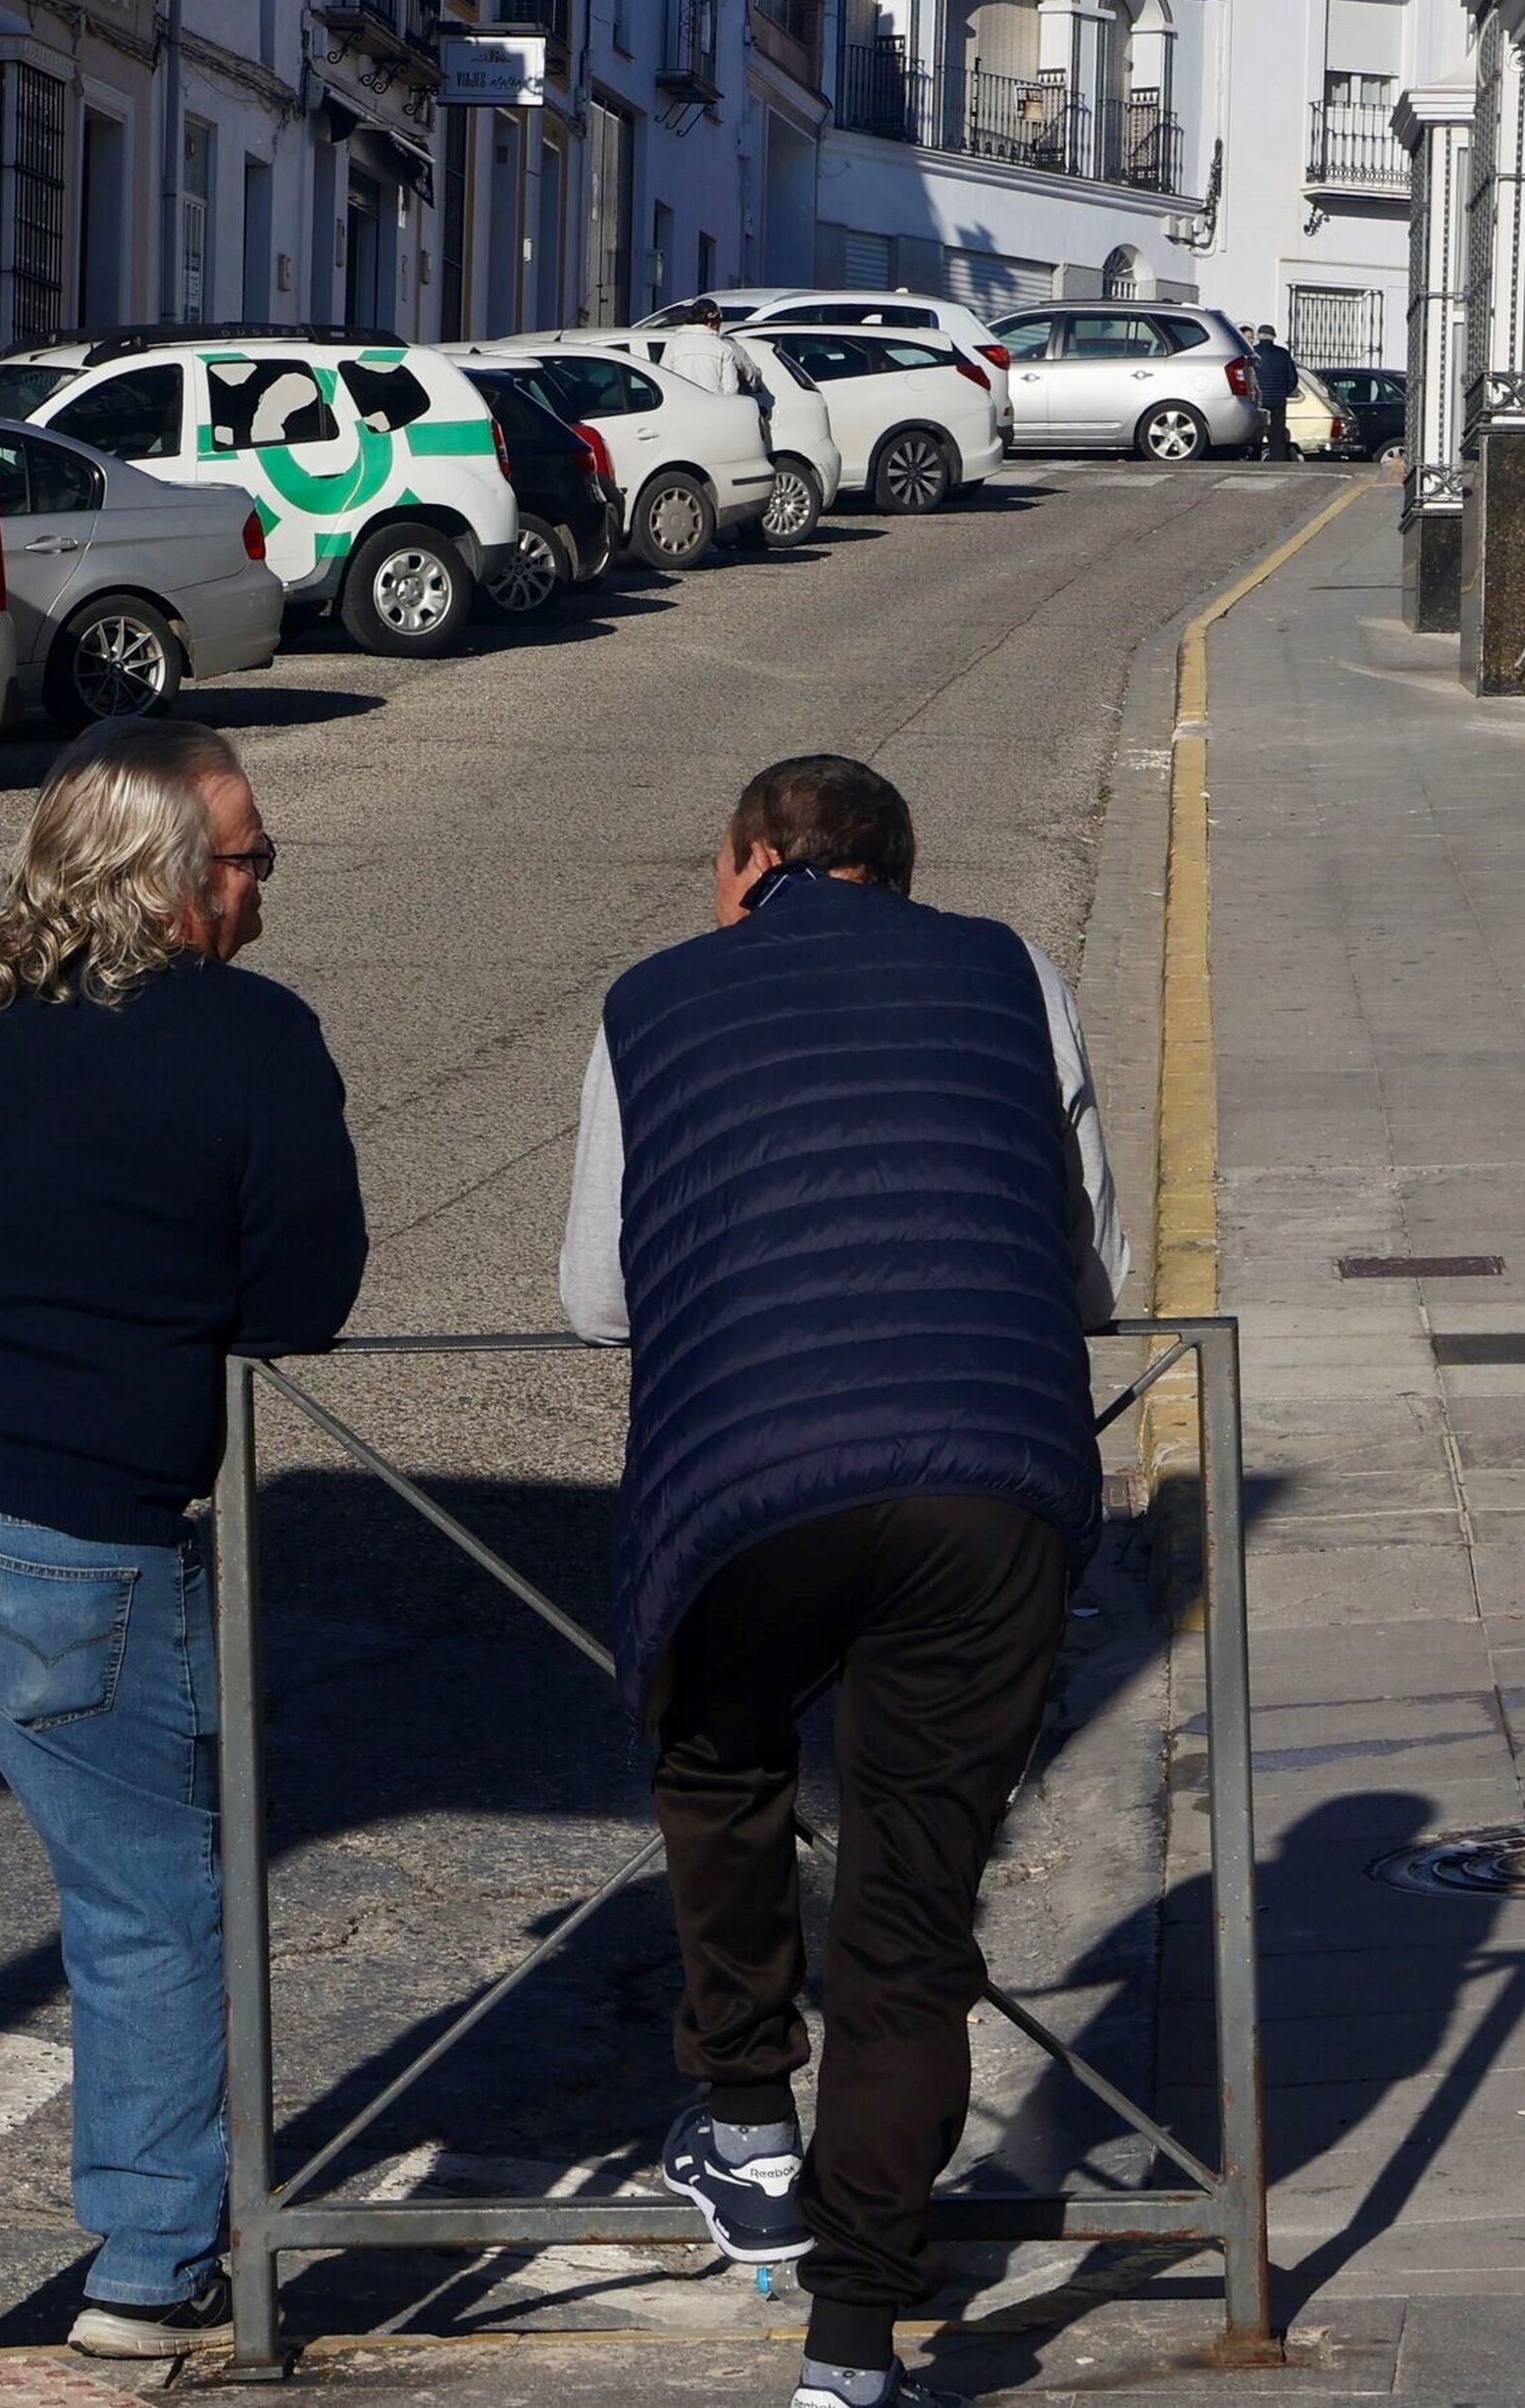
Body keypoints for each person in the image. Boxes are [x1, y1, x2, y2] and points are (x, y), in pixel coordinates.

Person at [560, 755, 1127, 2408]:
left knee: (719, 1746)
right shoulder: (1012, 967)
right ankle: (855, 2339)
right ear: (902, 870)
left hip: (745, 1479)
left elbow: (600, 1291)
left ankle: (743, 2113)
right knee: (911, 1905)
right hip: (990, 1476)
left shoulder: (649, 998)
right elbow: (1091, 1250)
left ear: (747, 865)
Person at [0, 722, 366, 2362]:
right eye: (248, 857)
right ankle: (144, 2268)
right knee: (141, 1908)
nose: (265, 885)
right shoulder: (251, 1039)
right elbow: (302, 1298)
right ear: (172, 881)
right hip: (76, 1526)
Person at [657, 297, 767, 413]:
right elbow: (731, 391)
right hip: (714, 412)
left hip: (681, 410)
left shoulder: (674, 345)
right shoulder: (723, 348)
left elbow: (664, 381)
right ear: (713, 321)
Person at [1251, 324, 1298, 460]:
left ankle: (1254, 458)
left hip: (1258, 400)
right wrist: (1284, 392)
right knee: (1277, 434)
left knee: (1256, 432)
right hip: (1278, 400)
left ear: (1258, 336)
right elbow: (1293, 378)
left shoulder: (1253, 353)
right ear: (1273, 337)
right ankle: (1278, 460)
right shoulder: (1283, 354)